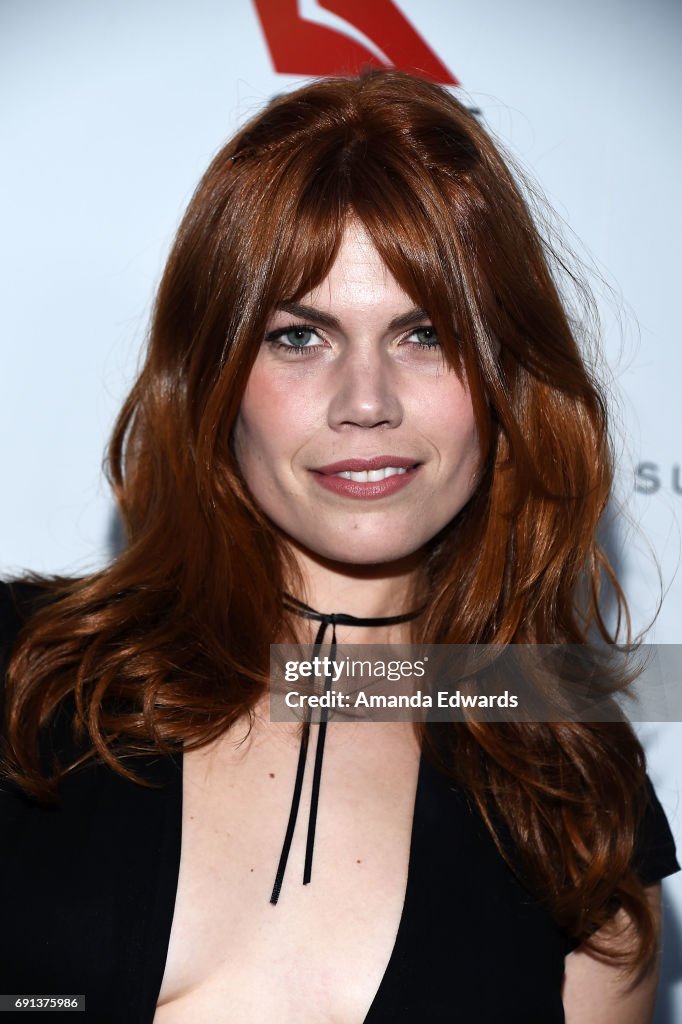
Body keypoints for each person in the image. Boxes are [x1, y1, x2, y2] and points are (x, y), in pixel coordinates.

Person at [0, 70, 678, 1024]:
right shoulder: (23, 675)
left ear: (506, 380)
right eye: (300, 336)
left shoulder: (568, 784)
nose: (368, 402)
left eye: (426, 334)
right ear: (215, 376)